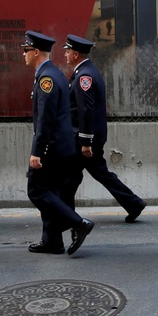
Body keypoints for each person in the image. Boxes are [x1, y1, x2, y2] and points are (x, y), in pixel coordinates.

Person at [59, 35, 147, 222]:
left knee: (68, 178)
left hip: (84, 139)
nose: (65, 55)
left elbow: (86, 110)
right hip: (87, 137)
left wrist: (85, 142)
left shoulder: (84, 76)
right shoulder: (85, 72)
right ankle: (133, 203)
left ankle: (67, 217)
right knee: (97, 174)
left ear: (76, 54)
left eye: (67, 52)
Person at [22, 31, 94, 256]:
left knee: (36, 191)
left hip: (50, 148)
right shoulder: (50, 74)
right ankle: (52, 241)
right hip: (57, 146)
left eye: (26, 50)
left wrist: (37, 151)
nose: (23, 54)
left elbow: (45, 119)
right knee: (50, 192)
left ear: (35, 52)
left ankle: (78, 223)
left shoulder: (46, 78)